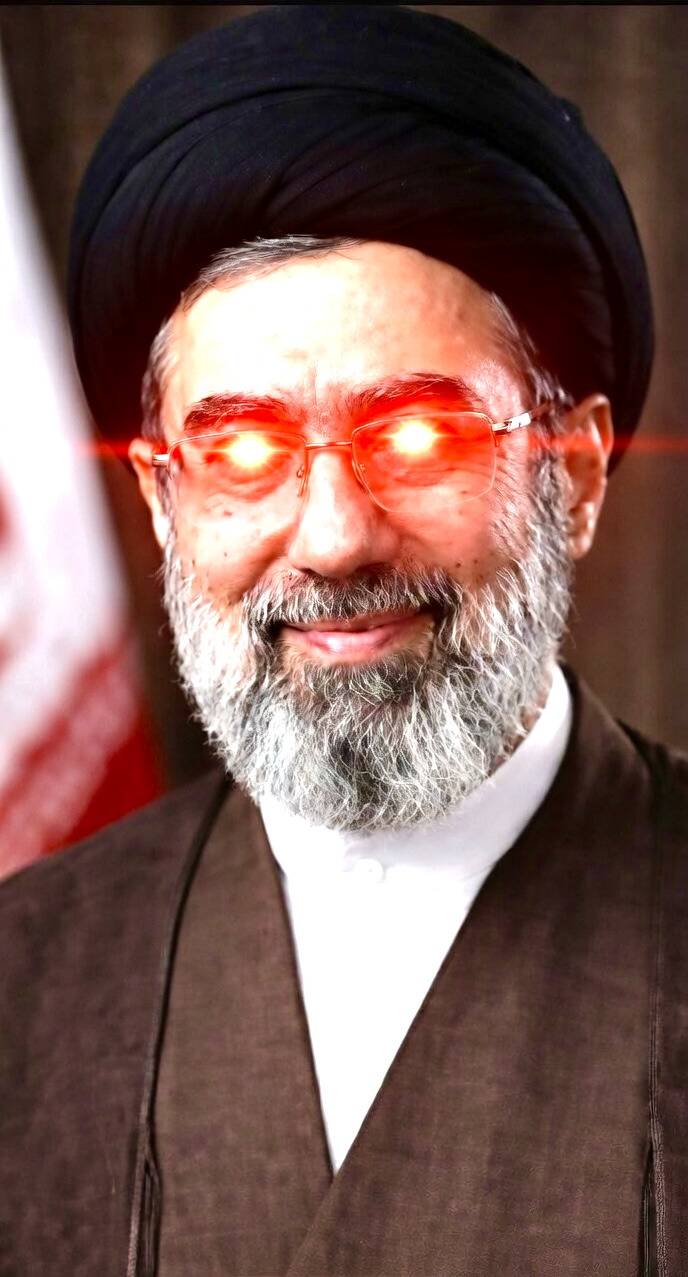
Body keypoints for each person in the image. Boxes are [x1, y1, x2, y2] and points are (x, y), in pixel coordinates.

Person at [1, 6, 686, 1275]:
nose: (331, 538)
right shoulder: (24, 976)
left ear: (576, 475)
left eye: (419, 437)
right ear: (161, 498)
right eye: (243, 448)